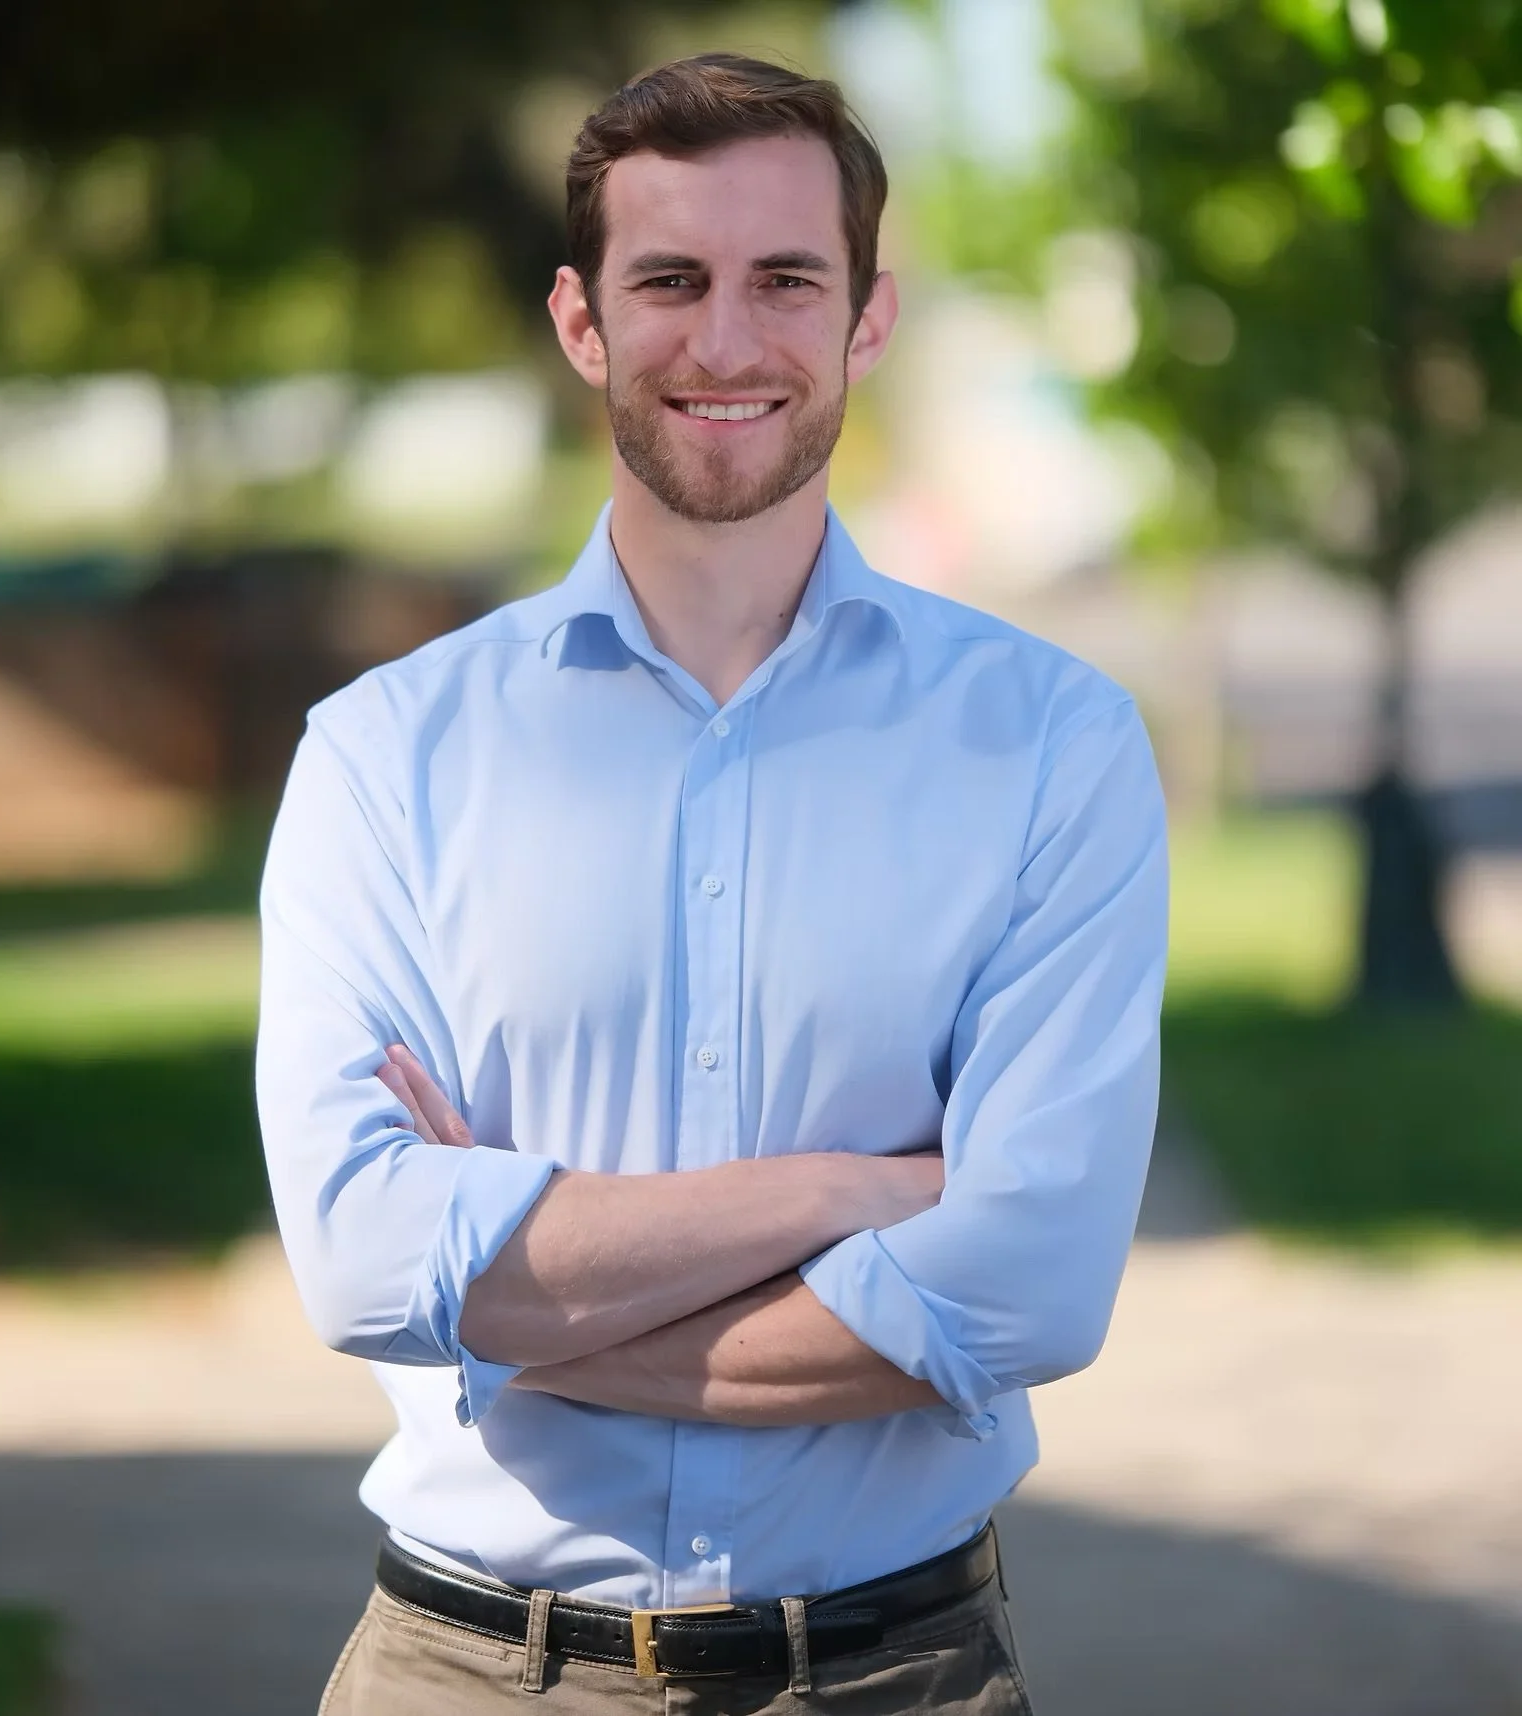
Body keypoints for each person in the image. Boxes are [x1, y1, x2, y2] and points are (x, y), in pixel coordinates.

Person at [256, 51, 1167, 1716]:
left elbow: (1028, 1281)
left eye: (786, 282)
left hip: (902, 1677)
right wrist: (855, 1190)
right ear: (581, 321)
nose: (728, 342)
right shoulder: (386, 757)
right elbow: (365, 1262)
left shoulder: (1052, 744)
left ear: (867, 320)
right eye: (668, 281)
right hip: (467, 1675)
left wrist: (524, 1314)